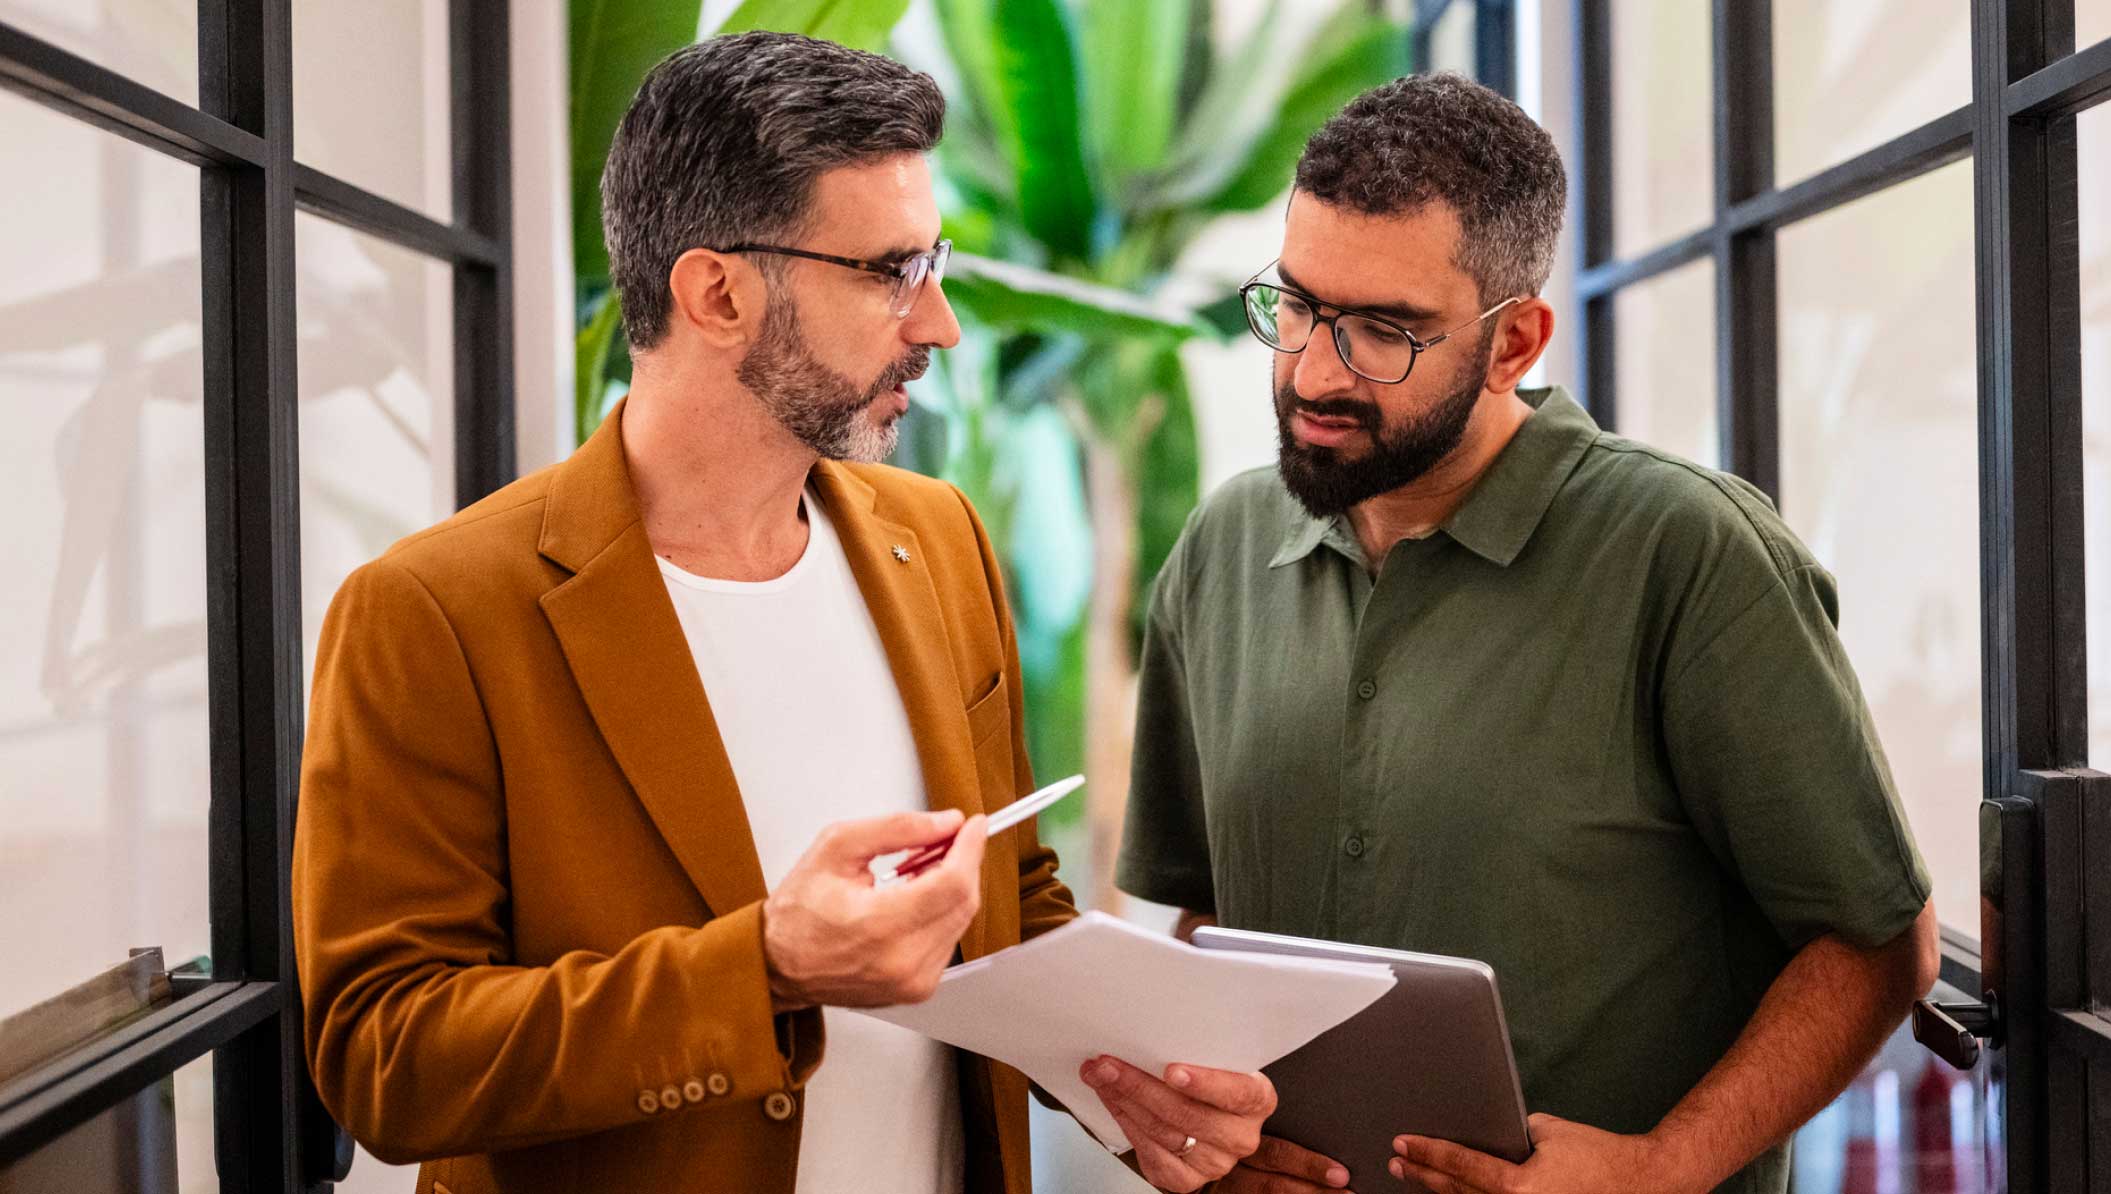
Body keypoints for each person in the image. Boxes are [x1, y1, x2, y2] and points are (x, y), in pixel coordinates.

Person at [294, 33, 1272, 1194]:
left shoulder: (942, 541)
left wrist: (1130, 1072)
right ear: (717, 292)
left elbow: (1014, 897)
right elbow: (386, 1059)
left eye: (936, 263)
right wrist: (762, 967)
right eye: (889, 272)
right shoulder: (433, 613)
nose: (940, 324)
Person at [1117, 74, 1939, 1194]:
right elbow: (1207, 914)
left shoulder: (1689, 554)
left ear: (1515, 344)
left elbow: (1878, 945)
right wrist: (1209, 1130)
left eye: (1383, 334)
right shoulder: (1217, 551)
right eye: (1298, 306)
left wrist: (1661, 1169)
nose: (1312, 370)